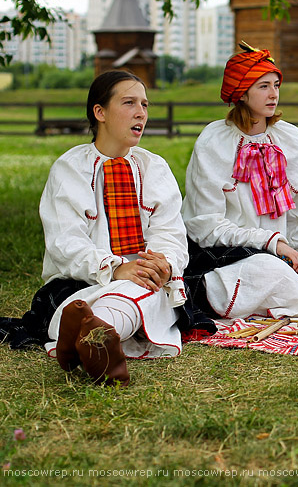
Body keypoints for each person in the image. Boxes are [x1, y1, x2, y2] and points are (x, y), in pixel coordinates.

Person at [17, 70, 199, 386]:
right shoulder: (69, 168)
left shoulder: (153, 167)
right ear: (99, 112)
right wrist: (114, 268)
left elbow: (170, 232)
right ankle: (97, 333)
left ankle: (91, 334)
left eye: (144, 103)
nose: (141, 112)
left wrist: (163, 264)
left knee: (146, 286)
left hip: (146, 277)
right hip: (84, 281)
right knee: (136, 290)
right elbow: (65, 242)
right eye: (129, 102)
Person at [182, 42, 298, 321]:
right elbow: (204, 226)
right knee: (274, 276)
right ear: (241, 93)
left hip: (278, 256)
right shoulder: (214, 141)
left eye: (276, 85)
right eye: (263, 86)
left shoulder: (289, 139)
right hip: (224, 258)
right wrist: (270, 242)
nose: (274, 94)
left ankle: (271, 294)